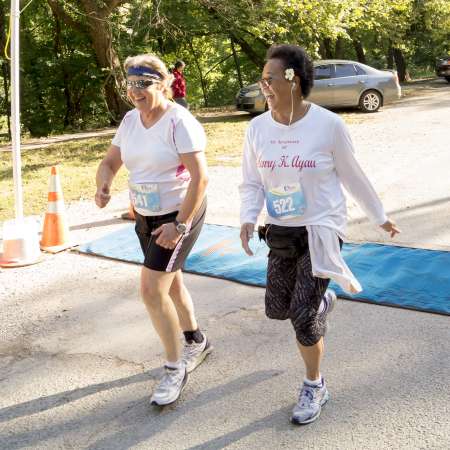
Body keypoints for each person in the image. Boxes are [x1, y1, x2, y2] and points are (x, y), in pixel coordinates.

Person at [239, 44, 400, 425]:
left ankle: (315, 384)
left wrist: (380, 217)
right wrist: (248, 218)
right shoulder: (257, 128)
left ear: (293, 80)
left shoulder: (328, 125)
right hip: (280, 230)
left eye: (269, 78)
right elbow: (250, 181)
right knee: (277, 309)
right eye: (262, 79)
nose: (263, 85)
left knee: (302, 316)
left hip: (321, 229)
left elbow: (352, 175)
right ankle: (324, 301)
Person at [95, 54, 212, 406]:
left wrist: (178, 225)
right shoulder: (131, 120)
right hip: (145, 216)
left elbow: (201, 178)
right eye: (130, 84)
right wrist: (104, 183)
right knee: (170, 282)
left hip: (179, 214)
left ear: (162, 83)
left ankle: (175, 368)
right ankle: (195, 340)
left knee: (150, 289)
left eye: (143, 83)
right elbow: (110, 161)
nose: (135, 91)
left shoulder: (180, 122)